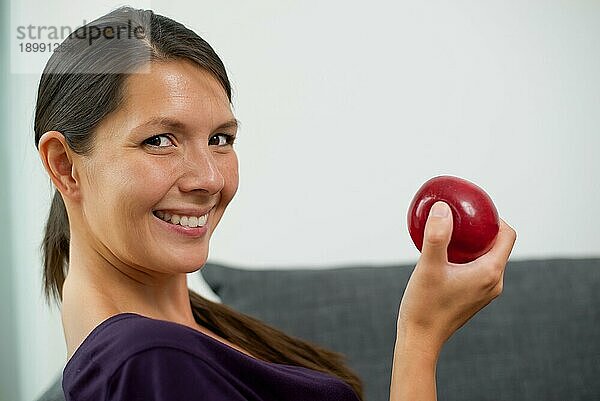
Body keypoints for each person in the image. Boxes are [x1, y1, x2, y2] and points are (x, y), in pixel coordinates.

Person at [35, 7, 516, 401]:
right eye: (161, 140)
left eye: (221, 138)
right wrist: (420, 337)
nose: (208, 177)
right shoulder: (149, 362)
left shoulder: (191, 331)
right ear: (64, 165)